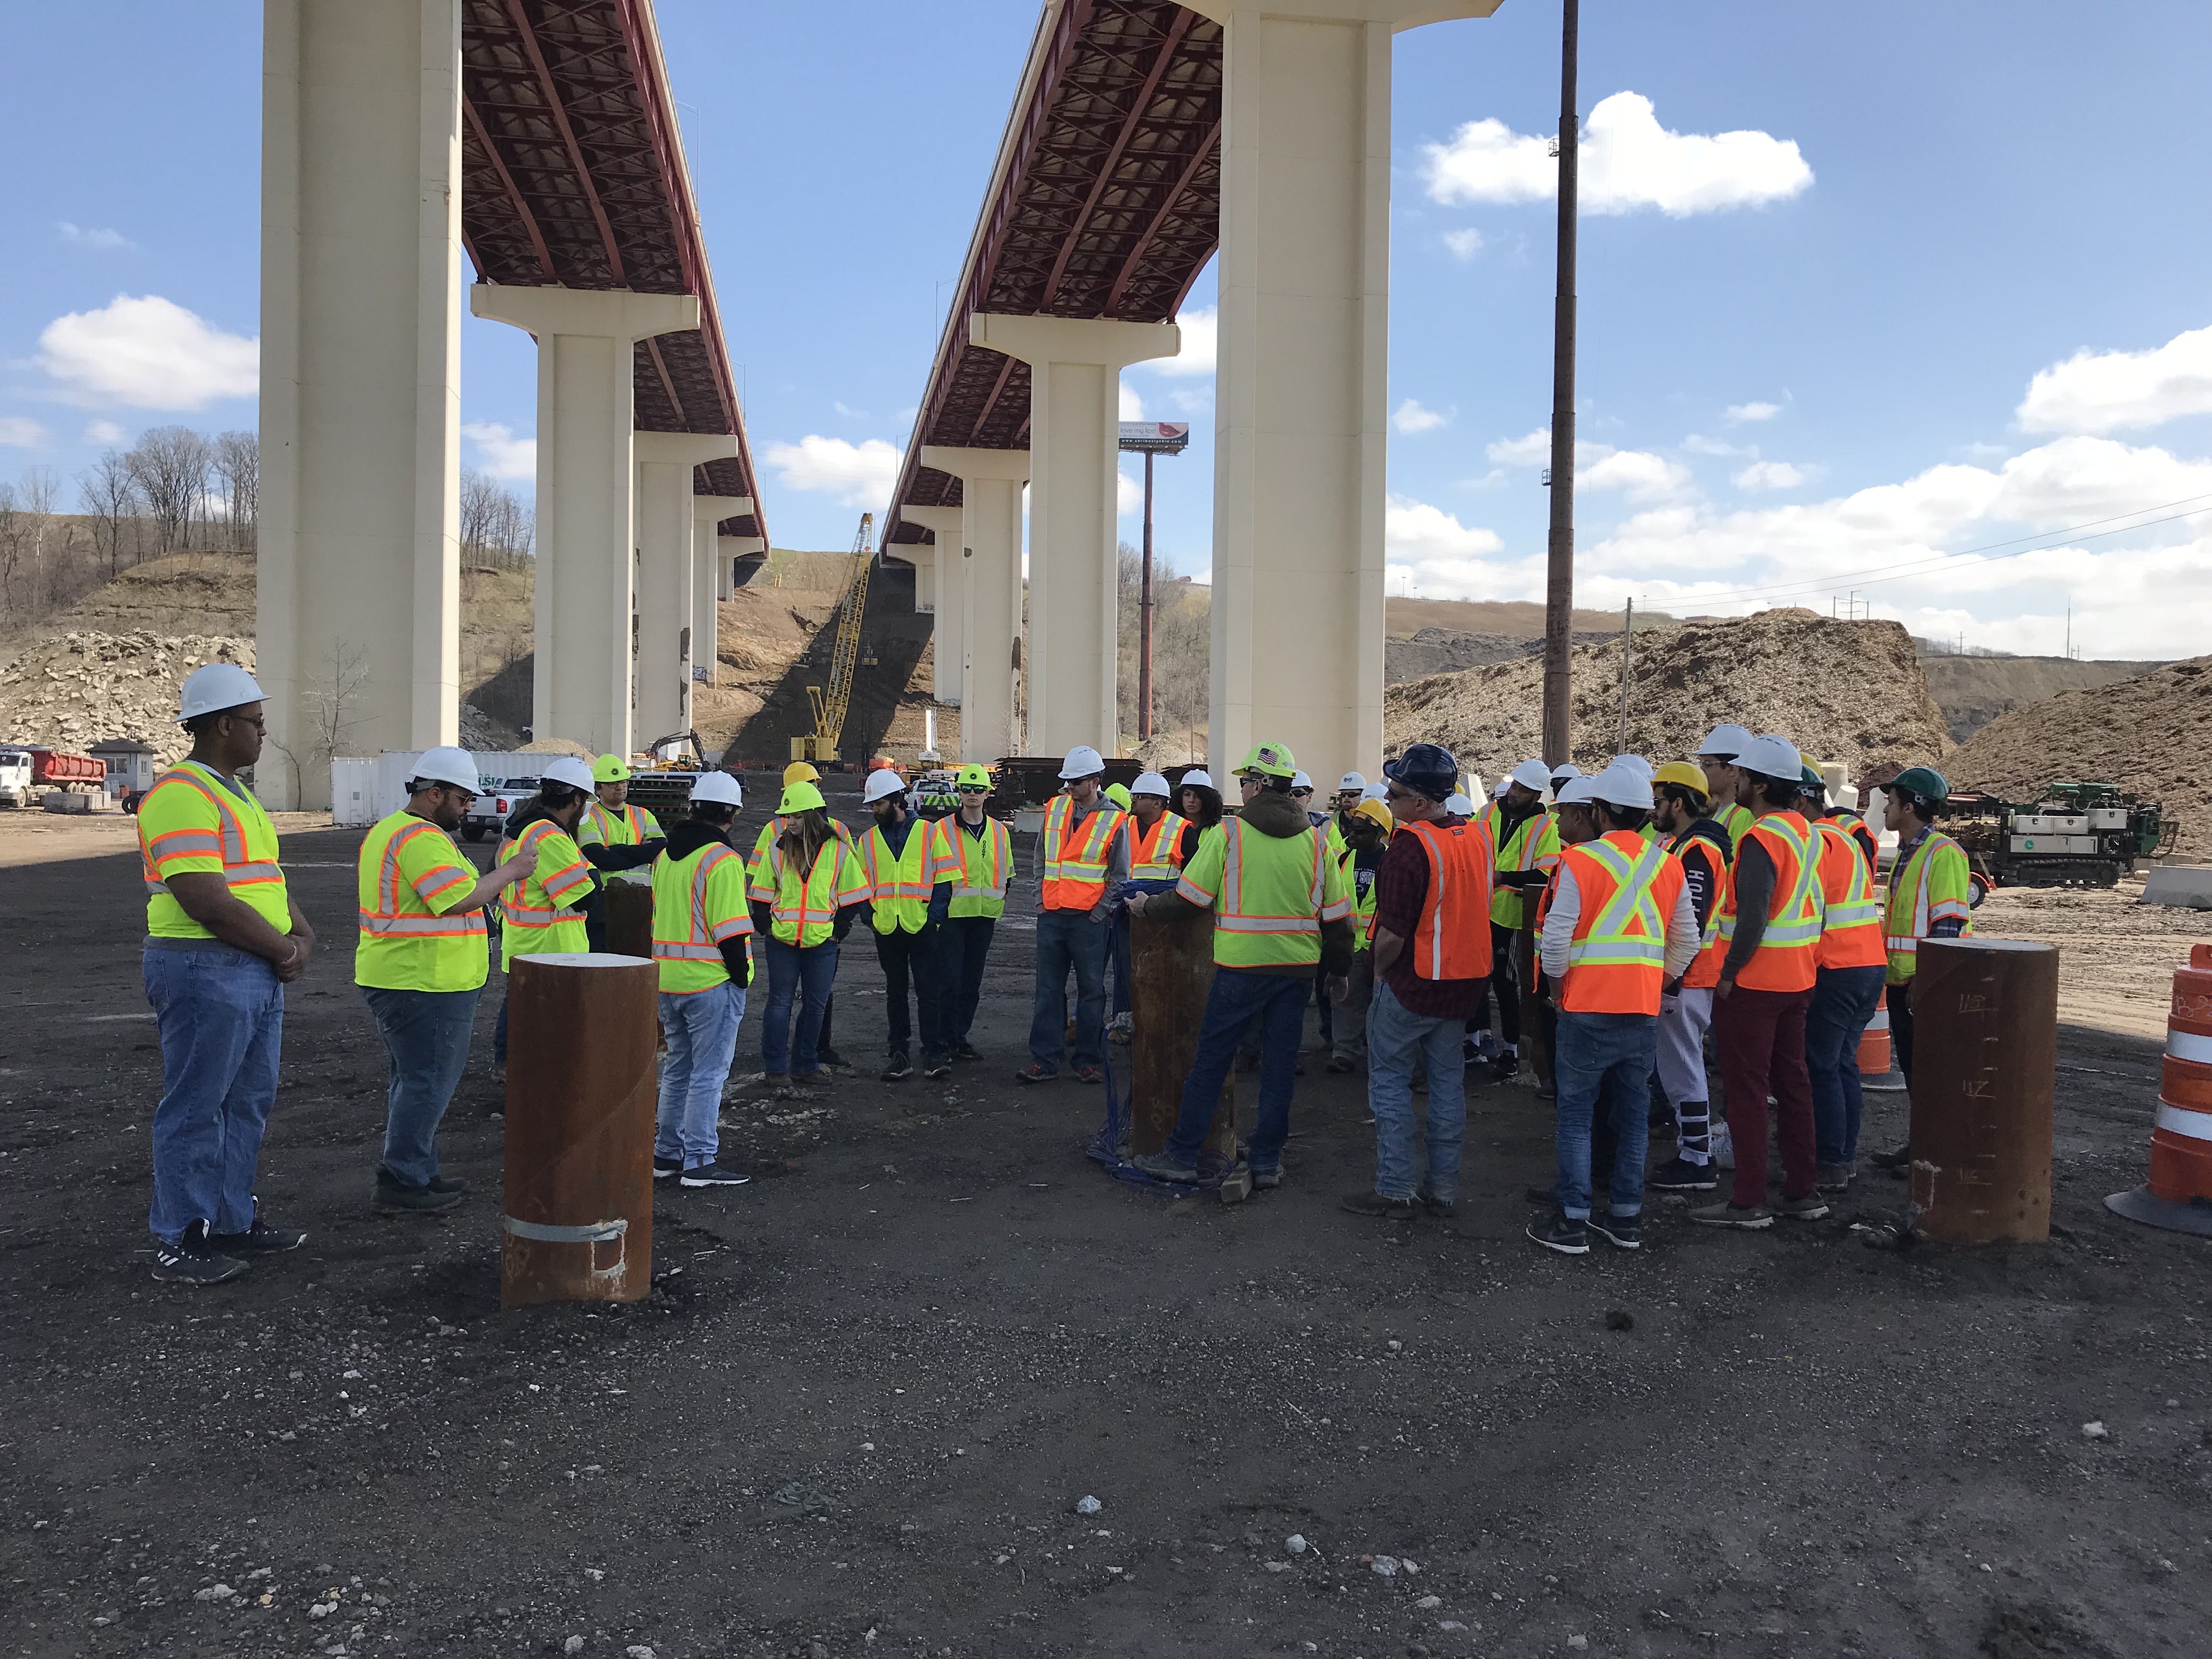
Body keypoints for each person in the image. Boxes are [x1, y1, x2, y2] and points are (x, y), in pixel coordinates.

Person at [136, 664, 317, 1285]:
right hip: (203, 964)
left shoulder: (236, 794)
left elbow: (264, 879)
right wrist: (283, 949)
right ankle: (181, 1236)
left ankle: (231, 1219)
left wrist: (300, 935)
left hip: (248, 965)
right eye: (255, 722)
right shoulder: (181, 794)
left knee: (246, 1101)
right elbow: (204, 898)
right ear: (221, 725)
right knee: (197, 1103)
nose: (263, 733)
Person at [1126, 742, 1352, 1187]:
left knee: (1212, 1060)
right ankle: (1266, 1161)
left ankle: (1183, 1155)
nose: (1243, 789)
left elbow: (1190, 899)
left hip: (1240, 969)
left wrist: (1145, 907)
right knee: (1279, 1067)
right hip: (1296, 972)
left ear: (1260, 785)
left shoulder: (1229, 833)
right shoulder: (1316, 841)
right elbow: (1339, 920)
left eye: (1246, 781)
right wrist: (1339, 971)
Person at [357, 746, 534, 1216]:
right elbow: (456, 899)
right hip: (424, 981)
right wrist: (511, 872)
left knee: (414, 1080)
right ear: (435, 794)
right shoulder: (419, 838)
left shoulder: (397, 831)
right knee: (427, 1083)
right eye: (462, 798)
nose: (468, 807)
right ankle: (404, 1178)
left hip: (410, 977)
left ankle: (415, 1169)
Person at [1527, 769, 1699, 1254]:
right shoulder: (1667, 864)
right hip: (1640, 1012)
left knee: (1577, 1117)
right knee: (1634, 1117)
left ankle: (1573, 1220)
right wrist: (1653, 984)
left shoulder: (1579, 861)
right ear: (1645, 814)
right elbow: (1688, 941)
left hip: (1585, 1009)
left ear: (1599, 812)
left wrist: (1559, 994)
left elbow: (1555, 944)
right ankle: (1625, 1218)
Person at [1329, 743, 1493, 1216]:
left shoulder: (1409, 848)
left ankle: (1395, 1188)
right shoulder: (1476, 837)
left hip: (1413, 983)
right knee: (1447, 1084)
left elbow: (1393, 933)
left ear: (1421, 802)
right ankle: (1442, 1191)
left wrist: (1379, 971)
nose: (1388, 800)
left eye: (1396, 793)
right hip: (1463, 983)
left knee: (1389, 1083)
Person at [1692, 733, 1830, 1229]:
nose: (1736, 781)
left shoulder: (1761, 838)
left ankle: (1748, 1201)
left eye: (1743, 775)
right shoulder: (1807, 833)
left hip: (1754, 986)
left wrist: (1728, 974)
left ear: (1762, 785)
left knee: (1747, 1090)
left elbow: (1753, 917)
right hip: (1797, 979)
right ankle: (1803, 1191)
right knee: (1793, 1084)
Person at [648, 771, 755, 1187]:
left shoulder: (664, 857)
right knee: (709, 1074)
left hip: (667, 979)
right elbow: (730, 932)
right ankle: (700, 1160)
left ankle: (667, 1154)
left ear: (693, 808)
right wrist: (740, 977)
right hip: (710, 982)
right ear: (731, 813)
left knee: (678, 1068)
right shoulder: (721, 860)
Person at [1869, 767, 1975, 1173]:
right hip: (1904, 981)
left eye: (1892, 802)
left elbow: (1948, 924)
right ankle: (1922, 1146)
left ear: (1910, 807)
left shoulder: (1942, 853)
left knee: (1931, 1073)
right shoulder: (1910, 853)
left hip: (1924, 984)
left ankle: (1936, 1153)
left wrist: (1927, 979)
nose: (1887, 809)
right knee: (1918, 1072)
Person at [1799, 765, 1890, 1192]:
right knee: (1843, 1064)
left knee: (1823, 1066)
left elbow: (1807, 910)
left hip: (1836, 968)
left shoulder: (1813, 842)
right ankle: (1844, 1158)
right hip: (1868, 965)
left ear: (1799, 802)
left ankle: (1831, 1161)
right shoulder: (1846, 839)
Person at [1645, 760, 1733, 1192]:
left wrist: (1669, 978)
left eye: (1659, 800)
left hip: (1687, 976)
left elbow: (1691, 924)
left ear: (1678, 804)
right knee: (1683, 1065)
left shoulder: (1697, 851)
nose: (1653, 809)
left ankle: (1697, 1159)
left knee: (1683, 1068)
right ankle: (1694, 1153)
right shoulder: (1687, 846)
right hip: (1688, 974)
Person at [1017, 746, 1128, 1085]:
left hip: (1088, 922)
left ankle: (1087, 1060)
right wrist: (1040, 901)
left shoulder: (1114, 819)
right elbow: (1040, 858)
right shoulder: (1056, 808)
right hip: (1052, 916)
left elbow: (1120, 875)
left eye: (1076, 782)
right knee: (1048, 991)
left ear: (1095, 782)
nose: (1069, 788)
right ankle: (1045, 1059)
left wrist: (1099, 912)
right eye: (1067, 782)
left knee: (1091, 991)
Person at [749, 780, 870, 1086]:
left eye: (797, 817)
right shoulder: (776, 850)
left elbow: (854, 896)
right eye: (787, 817)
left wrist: (837, 932)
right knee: (780, 1003)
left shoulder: (839, 851)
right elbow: (760, 895)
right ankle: (776, 1069)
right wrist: (767, 928)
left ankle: (804, 1065)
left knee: (816, 1006)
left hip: (822, 943)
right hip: (782, 941)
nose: (790, 823)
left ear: (813, 816)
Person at [491, 757, 600, 1079]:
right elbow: (586, 896)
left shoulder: (520, 830)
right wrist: (589, 870)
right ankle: (522, 1073)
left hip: (523, 942)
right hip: (551, 948)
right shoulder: (548, 837)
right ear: (577, 799)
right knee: (544, 1025)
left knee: (518, 1011)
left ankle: (510, 1066)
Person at [856, 766, 954, 1080]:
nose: (875, 810)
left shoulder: (929, 832)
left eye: (879, 804)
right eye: (873, 805)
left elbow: (944, 880)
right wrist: (869, 917)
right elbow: (860, 885)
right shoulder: (867, 840)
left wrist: (933, 919)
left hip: (921, 927)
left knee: (929, 992)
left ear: (897, 801)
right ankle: (898, 1054)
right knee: (895, 993)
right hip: (886, 928)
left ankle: (933, 1053)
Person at [1474, 758, 1560, 1083]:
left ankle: (1510, 1051)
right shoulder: (1487, 813)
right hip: (1479, 912)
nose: (1514, 793)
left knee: (1506, 984)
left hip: (1512, 918)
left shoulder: (1544, 827)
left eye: (1523, 790)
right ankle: (1474, 1041)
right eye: (1514, 786)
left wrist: (1504, 877)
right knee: (1474, 980)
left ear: (1536, 795)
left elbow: (1545, 874)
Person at [928, 764, 1013, 1062]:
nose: (973, 794)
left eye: (978, 789)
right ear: (959, 792)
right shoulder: (941, 830)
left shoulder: (1000, 832)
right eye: (967, 789)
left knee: (971, 984)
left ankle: (959, 1037)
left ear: (988, 793)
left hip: (984, 917)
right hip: (952, 917)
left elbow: (1007, 873)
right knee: (949, 983)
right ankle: (942, 1039)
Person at [1326, 797, 1393, 1075]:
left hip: (1384, 946)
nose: (1351, 835)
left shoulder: (1393, 862)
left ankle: (1386, 1056)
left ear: (1379, 834)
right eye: (1351, 829)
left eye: (1360, 831)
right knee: (1346, 1000)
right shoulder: (1343, 860)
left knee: (1386, 1005)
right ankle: (1345, 1052)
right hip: (1352, 944)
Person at [577, 753, 666, 886]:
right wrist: (643, 855)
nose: (620, 787)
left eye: (623, 782)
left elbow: (661, 847)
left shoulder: (643, 814)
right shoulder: (588, 817)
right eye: (613, 783)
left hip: (644, 889)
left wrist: (617, 850)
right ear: (598, 789)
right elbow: (599, 858)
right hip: (607, 892)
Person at [1694, 724, 1758, 854]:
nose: (1702, 771)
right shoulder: (1723, 813)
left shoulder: (1744, 816)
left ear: (1732, 769)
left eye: (1707, 764)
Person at [1176, 769, 1223, 862]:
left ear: (1207, 799)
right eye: (1187, 795)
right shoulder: (1171, 828)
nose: (1191, 800)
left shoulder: (1216, 830)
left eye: (1197, 796)